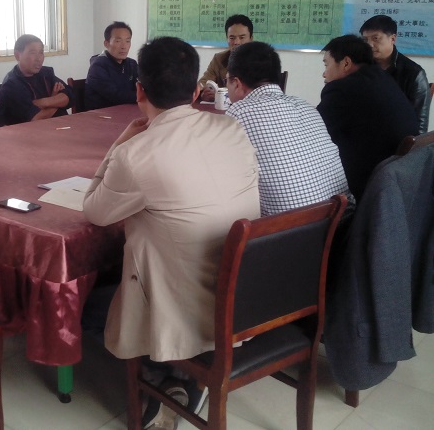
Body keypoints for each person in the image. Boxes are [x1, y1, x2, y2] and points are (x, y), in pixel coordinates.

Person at [83, 36, 259, 429]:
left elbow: (94, 211)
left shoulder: (136, 153)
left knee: (87, 310)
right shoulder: (232, 129)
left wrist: (119, 144)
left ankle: (165, 377)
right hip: (243, 295)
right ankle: (185, 377)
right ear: (196, 90)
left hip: (186, 306)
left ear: (139, 90)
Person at [225, 41, 352, 216]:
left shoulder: (239, 113)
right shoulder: (305, 105)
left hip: (286, 228)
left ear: (236, 83)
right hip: (340, 218)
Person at [317, 35, 418, 199]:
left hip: (368, 184)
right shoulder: (382, 78)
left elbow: (314, 133)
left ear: (346, 63)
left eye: (327, 64)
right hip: (399, 182)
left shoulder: (342, 89)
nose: (324, 73)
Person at [359, 15, 430, 134]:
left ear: (393, 39)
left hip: (399, 139)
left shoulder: (414, 73)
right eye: (365, 40)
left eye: (376, 38)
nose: (370, 45)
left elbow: (420, 126)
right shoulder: (361, 68)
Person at [1, 34, 72, 124]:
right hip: (32, 131)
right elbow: (36, 118)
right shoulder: (11, 84)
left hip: (60, 125)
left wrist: (44, 102)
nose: (38, 59)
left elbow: (70, 96)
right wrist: (56, 100)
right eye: (33, 53)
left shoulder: (46, 73)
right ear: (17, 55)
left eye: (41, 52)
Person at [197, 14, 254, 101]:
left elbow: (259, 91)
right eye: (232, 38)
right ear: (227, 38)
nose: (236, 42)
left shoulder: (261, 61)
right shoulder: (219, 59)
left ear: (251, 39)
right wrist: (204, 93)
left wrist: (222, 95)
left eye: (242, 37)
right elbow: (203, 83)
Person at [84, 21, 138, 110]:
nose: (124, 46)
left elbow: (143, 86)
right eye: (118, 41)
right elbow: (116, 96)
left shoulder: (131, 64)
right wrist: (146, 96)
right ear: (106, 43)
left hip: (125, 111)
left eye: (127, 41)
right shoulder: (97, 66)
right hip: (101, 115)